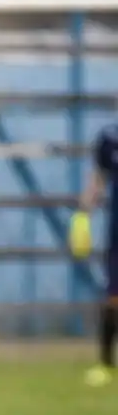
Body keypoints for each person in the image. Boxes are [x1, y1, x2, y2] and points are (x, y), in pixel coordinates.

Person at [79, 122, 118, 387]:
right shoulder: (109, 137)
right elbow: (98, 178)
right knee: (113, 297)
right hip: (117, 234)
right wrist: (83, 214)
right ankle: (105, 364)